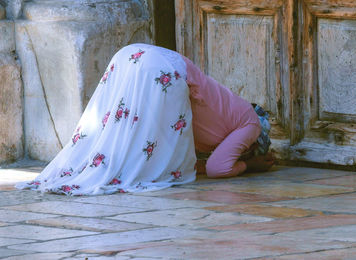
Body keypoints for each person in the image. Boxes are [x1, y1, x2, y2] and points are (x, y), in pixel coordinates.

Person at [16, 43, 273, 195]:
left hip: (132, 54)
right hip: (162, 68)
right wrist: (251, 167)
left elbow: (207, 164)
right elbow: (220, 168)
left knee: (119, 128)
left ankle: (97, 170)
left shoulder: (230, 116)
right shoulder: (250, 124)